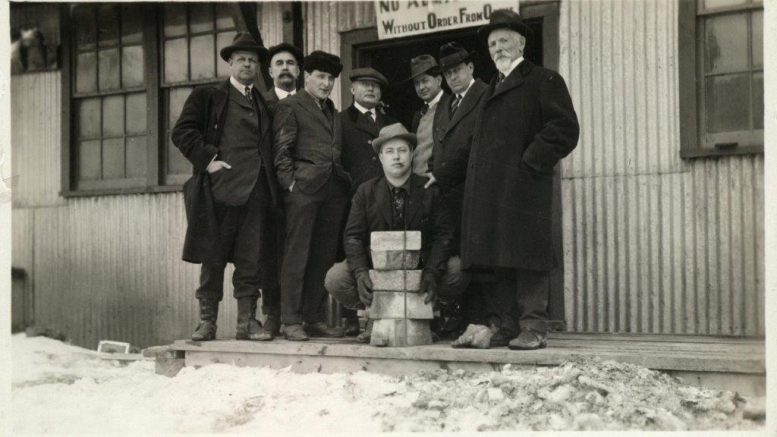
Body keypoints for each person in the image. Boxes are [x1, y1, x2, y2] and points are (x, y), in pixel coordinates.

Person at [459, 10, 579, 350]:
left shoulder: (543, 80)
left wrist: (529, 163)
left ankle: (534, 326)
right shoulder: (488, 91)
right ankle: (508, 325)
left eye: (504, 40)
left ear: (522, 42)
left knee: (527, 257)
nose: (498, 48)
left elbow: (564, 129)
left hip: (524, 188)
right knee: (499, 259)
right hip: (492, 192)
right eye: (493, 43)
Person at [172, 33, 279, 341]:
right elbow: (182, 132)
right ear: (231, 62)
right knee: (213, 256)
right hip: (218, 190)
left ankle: (247, 323)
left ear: (258, 67)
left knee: (251, 258)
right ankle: (207, 322)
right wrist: (208, 161)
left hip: (256, 192)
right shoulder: (209, 96)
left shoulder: (262, 102)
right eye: (241, 58)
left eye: (252, 60)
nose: (247, 64)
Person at [324, 123, 466, 343]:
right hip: (377, 271)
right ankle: (377, 315)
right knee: (336, 278)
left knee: (457, 270)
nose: (396, 157)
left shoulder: (429, 190)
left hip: (420, 270)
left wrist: (431, 272)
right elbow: (352, 237)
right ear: (380, 157)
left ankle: (429, 315)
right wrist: (361, 272)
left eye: (402, 150)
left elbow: (443, 235)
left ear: (412, 154)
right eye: (389, 151)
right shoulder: (366, 192)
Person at [273, 50, 350, 341]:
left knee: (323, 256)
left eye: (331, 78)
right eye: (321, 76)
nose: (326, 83)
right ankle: (290, 320)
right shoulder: (292, 105)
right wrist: (291, 185)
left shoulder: (332, 110)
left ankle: (313, 317)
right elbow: (281, 151)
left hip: (332, 192)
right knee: (297, 256)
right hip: (303, 191)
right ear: (307, 77)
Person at [427, 42, 489, 338]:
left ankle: (481, 320)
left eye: (457, 70)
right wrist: (432, 171)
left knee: (475, 259)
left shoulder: (485, 96)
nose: (452, 77)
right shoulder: (446, 104)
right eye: (447, 72)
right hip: (448, 196)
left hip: (474, 192)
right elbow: (440, 146)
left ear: (471, 68)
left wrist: (443, 173)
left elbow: (478, 146)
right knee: (455, 256)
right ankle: (460, 319)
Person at [339, 67, 399, 193]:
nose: (371, 88)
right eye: (365, 84)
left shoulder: (393, 123)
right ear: (352, 89)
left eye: (375, 86)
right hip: (354, 197)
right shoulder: (339, 121)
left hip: (389, 195)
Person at [407, 55, 446, 176]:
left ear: (439, 80)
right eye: (417, 83)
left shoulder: (452, 105)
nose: (421, 87)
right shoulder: (418, 114)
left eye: (425, 81)